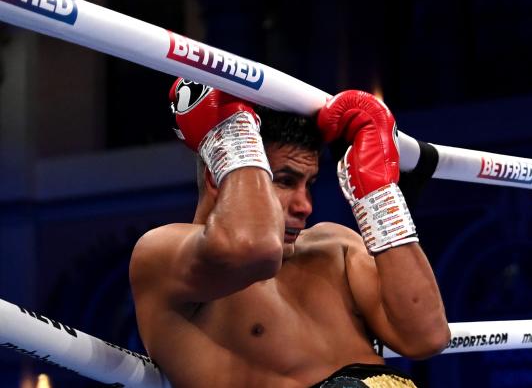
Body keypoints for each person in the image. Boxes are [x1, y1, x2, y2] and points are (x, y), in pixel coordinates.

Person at [129, 81, 449, 388]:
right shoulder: (163, 256)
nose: (305, 205)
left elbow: (427, 335)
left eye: (308, 184)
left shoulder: (334, 246)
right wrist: (233, 134)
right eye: (284, 180)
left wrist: (378, 193)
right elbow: (253, 248)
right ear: (219, 175)